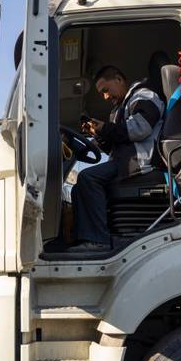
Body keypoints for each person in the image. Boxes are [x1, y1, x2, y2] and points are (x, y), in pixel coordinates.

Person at [69, 65, 164, 253]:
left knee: (88, 178)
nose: (105, 96)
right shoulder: (118, 110)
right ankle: (83, 239)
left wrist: (105, 128)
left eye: (106, 90)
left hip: (142, 162)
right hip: (124, 162)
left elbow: (141, 127)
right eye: (101, 93)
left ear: (119, 80)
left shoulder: (143, 96)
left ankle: (98, 241)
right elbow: (116, 145)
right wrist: (98, 135)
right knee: (77, 188)